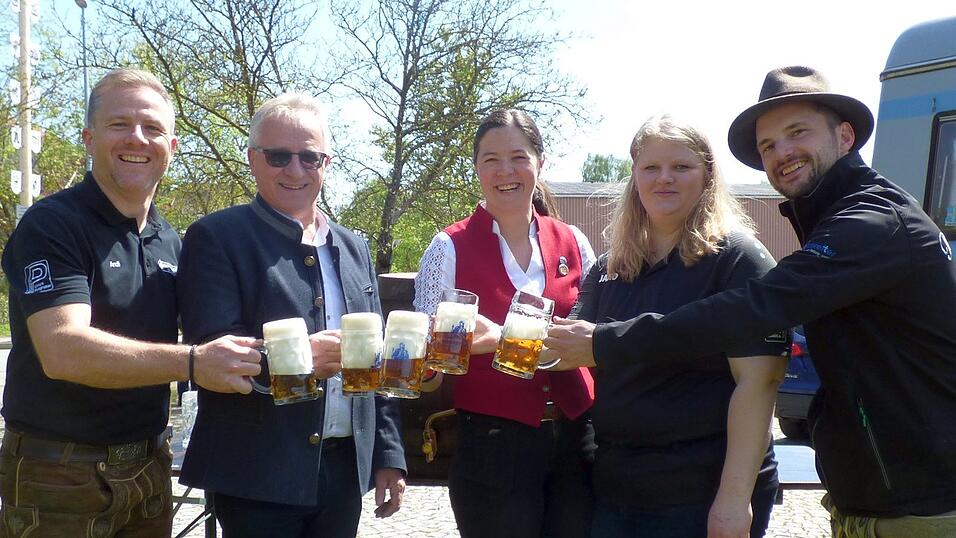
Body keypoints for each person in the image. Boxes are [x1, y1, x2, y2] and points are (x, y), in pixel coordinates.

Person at [546, 66, 956, 537]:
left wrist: (605, 343)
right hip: (875, 501)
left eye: (796, 132)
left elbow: (754, 311)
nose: (782, 153)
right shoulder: (832, 220)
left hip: (926, 503)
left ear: (845, 136)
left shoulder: (873, 222)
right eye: (767, 146)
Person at [0, 68, 263, 537]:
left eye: (153, 128)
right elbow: (62, 350)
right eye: (120, 124)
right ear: (88, 138)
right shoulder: (53, 224)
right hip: (59, 471)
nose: (137, 138)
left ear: (173, 147)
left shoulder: (170, 241)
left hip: (149, 467)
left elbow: (219, 330)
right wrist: (193, 362)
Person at [176, 93, 407, 538]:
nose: (295, 170)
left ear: (327, 162)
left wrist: (388, 455)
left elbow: (375, 363)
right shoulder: (217, 237)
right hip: (256, 472)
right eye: (279, 156)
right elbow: (213, 353)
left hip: (341, 471)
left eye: (309, 156)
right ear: (252, 159)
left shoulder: (354, 246)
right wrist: (301, 358)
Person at [552, 115, 788, 538]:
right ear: (634, 177)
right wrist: (496, 335)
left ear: (708, 176)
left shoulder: (737, 258)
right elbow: (568, 347)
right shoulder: (612, 266)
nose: (665, 179)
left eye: (681, 167)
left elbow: (760, 382)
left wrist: (734, 503)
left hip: (699, 493)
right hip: (617, 488)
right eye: (651, 168)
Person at [413, 109, 597, 537]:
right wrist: (436, 353)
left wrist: (502, 339)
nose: (505, 170)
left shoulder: (573, 240)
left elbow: (592, 338)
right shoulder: (449, 246)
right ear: (476, 168)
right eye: (491, 159)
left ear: (540, 163)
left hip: (577, 438)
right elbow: (425, 357)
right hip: (493, 448)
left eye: (518, 156)